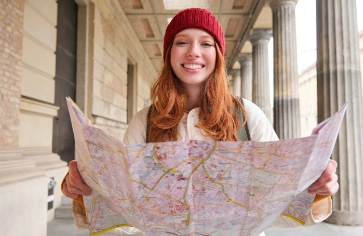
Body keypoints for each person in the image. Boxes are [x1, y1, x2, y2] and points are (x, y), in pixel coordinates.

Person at [61, 7, 339, 236]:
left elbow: (279, 209)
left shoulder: (247, 114)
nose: (194, 51)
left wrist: (316, 190)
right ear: (169, 53)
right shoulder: (143, 121)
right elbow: (125, 218)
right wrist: (85, 194)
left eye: (206, 43)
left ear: (218, 56)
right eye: (182, 42)